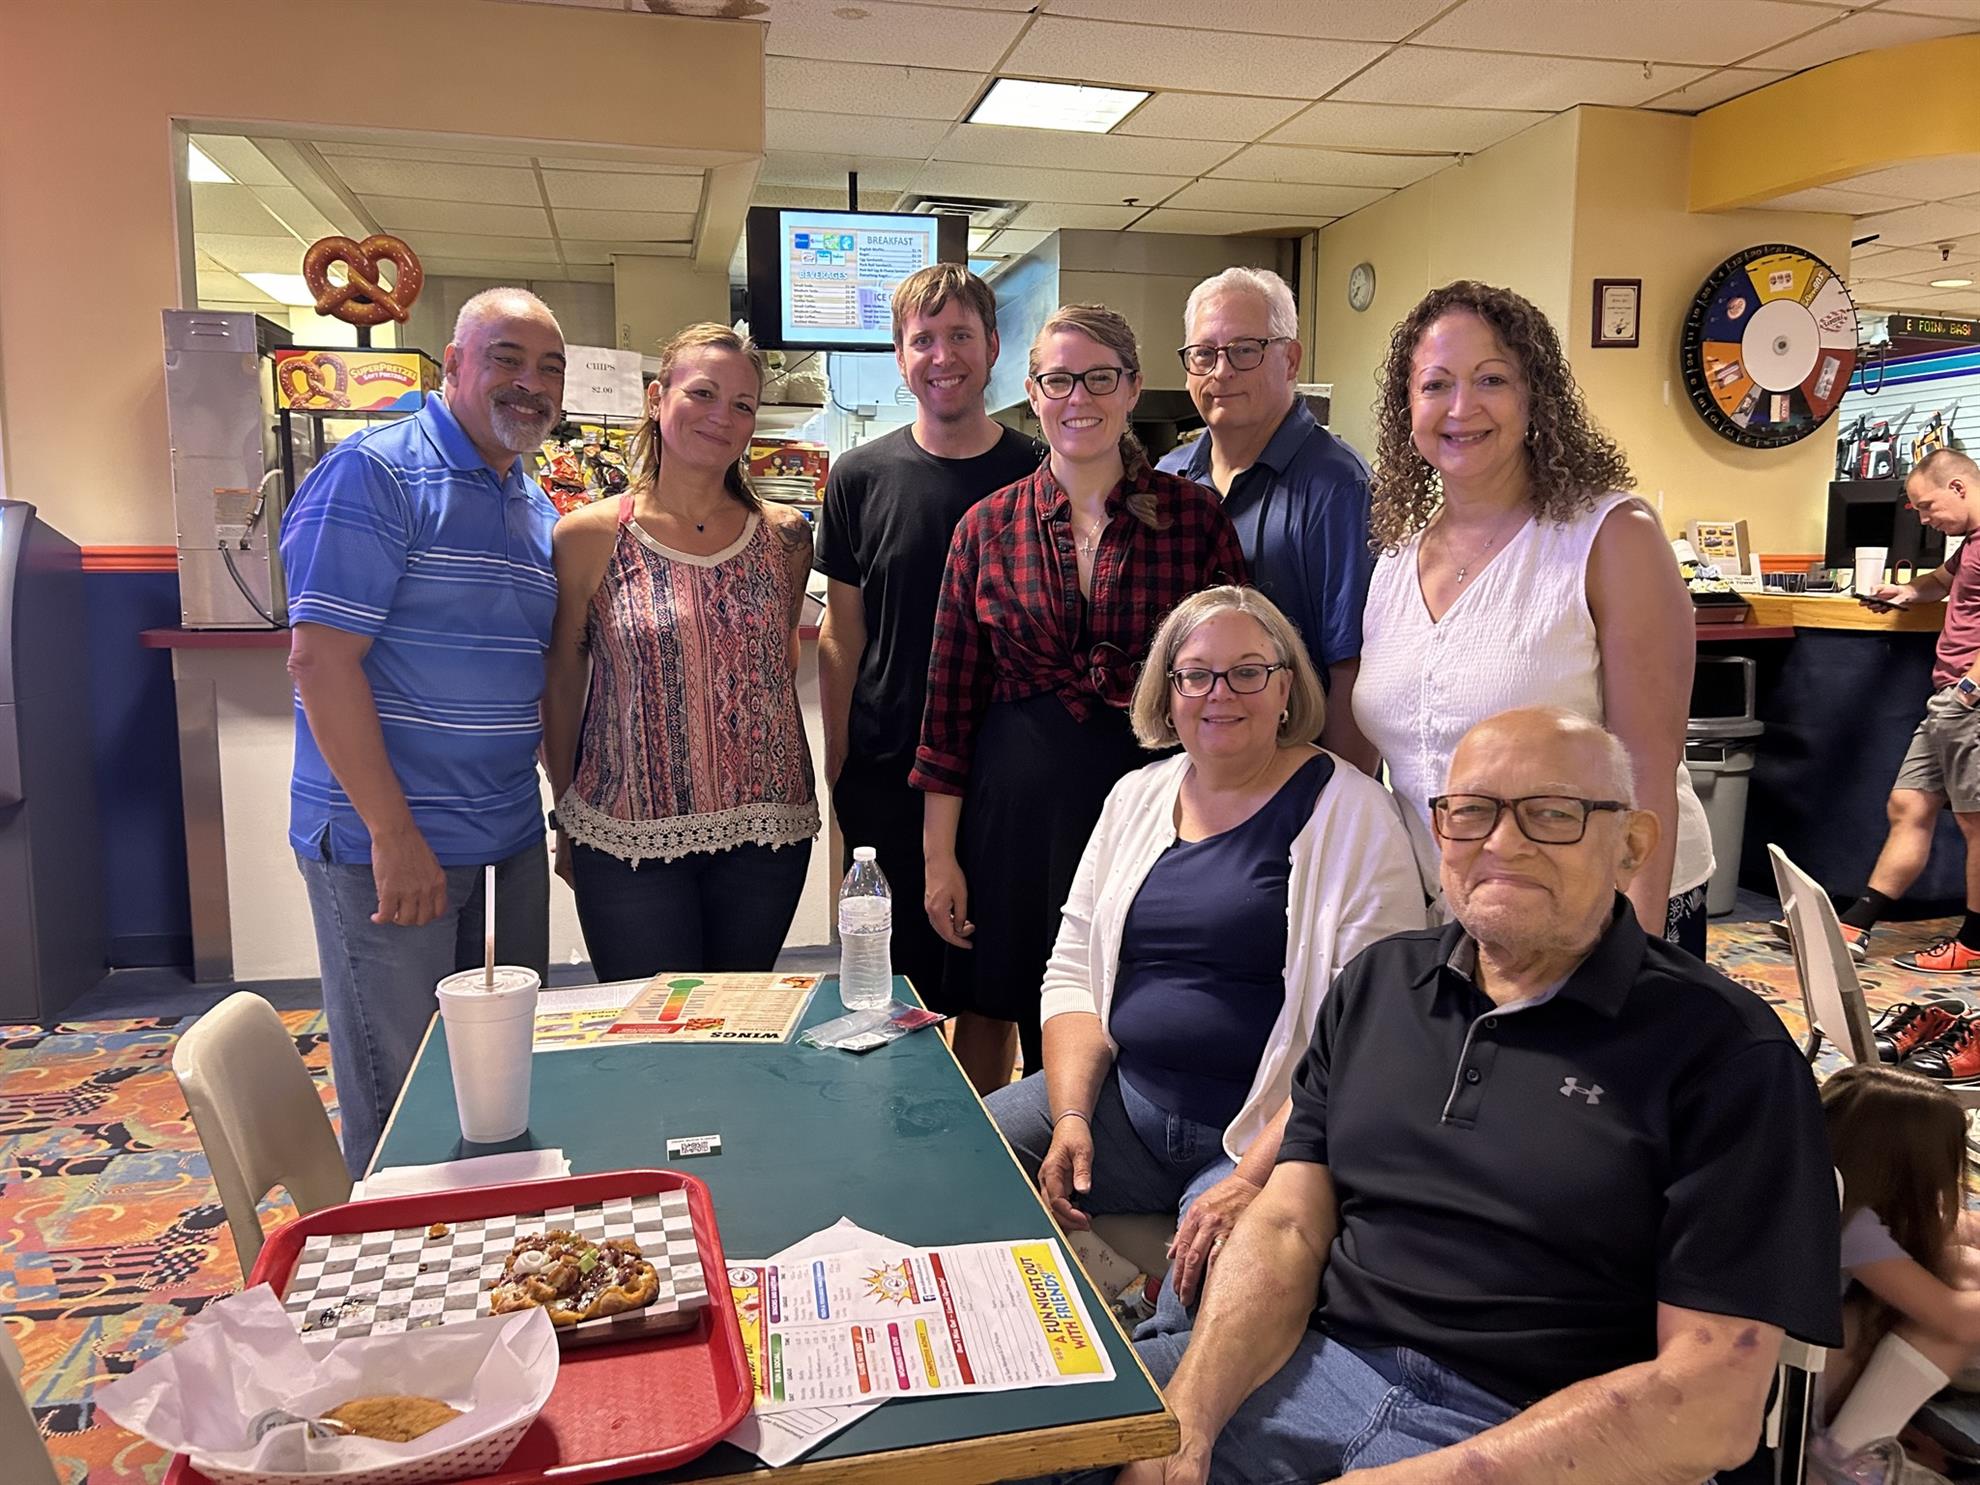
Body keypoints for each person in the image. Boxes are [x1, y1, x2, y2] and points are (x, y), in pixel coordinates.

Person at [1105, 708, 1840, 1485]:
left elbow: (1712, 1402)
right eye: (1473, 811)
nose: (1502, 842)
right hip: (1313, 1365)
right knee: (1019, 1439)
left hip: (1546, 1437)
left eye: (1553, 814)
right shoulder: (1378, 985)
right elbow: (1286, 1222)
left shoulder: (1727, 1053)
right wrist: (1184, 1424)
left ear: (1632, 845)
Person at [986, 586, 1422, 1324]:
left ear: (1286, 687)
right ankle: (1110, 1290)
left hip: (1264, 1134)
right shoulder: (1135, 796)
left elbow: (1367, 1036)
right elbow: (1072, 977)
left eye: (1248, 671)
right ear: (1169, 690)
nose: (1221, 693)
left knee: (1206, 1312)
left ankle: (1139, 1342)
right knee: (956, 1162)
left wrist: (1251, 1177)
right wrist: (1070, 1115)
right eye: (1197, 674)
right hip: (1125, 1110)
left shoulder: (1354, 815)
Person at [914, 304, 1246, 1088]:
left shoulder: (1193, 520)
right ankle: (995, 1173)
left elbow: (1237, 681)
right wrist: (938, 857)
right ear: (1033, 392)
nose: (1079, 398)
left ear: (1132, 388)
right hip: (1014, 810)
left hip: (1155, 800)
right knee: (997, 998)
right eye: (1059, 380)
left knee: (1131, 994)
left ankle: (1104, 1163)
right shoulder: (986, 527)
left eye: (1100, 378)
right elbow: (949, 702)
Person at [284, 287, 565, 1177]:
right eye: (507, 359)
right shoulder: (378, 473)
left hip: (506, 837)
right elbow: (321, 663)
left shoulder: (532, 502)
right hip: (393, 843)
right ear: (452, 366)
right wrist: (392, 834)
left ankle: (496, 1267)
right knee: (402, 1090)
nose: (530, 383)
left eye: (549, 367)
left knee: (501, 1083)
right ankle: (392, 1292)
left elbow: (533, 672)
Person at [1354, 280, 1713, 955]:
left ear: (1534, 397)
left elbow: (1649, 762)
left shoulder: (1610, 535)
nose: (1462, 407)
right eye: (1435, 385)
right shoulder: (1398, 557)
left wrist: (1631, 953)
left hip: (1593, 912)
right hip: (1458, 909)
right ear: (1407, 408)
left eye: (1492, 378)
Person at [816, 264, 1040, 1078]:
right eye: (923, 339)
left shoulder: (1041, 470)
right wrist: (838, 770)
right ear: (899, 354)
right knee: (887, 985)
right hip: (888, 774)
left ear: (992, 348)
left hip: (1001, 777)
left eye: (960, 336)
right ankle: (894, 1144)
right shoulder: (859, 477)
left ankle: (979, 1147)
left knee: (989, 984)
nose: (942, 356)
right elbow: (844, 638)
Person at [541, 323, 817, 979]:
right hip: (628, 830)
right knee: (654, 1045)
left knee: (738, 1027)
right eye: (703, 392)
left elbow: (779, 664)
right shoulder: (588, 538)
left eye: (743, 404)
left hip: (766, 831)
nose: (723, 416)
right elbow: (561, 681)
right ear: (656, 397)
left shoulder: (785, 536)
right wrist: (564, 812)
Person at [1769, 448, 1980, 988]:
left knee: (1976, 823)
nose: (1927, 520)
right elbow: (1941, 580)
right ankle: (1855, 925)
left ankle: (1974, 943)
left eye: (1928, 507)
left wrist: (1971, 688)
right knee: (1907, 804)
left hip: (1968, 701)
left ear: (1958, 487)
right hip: (1946, 701)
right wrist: (1909, 591)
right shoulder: (1972, 545)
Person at [1157, 268, 1377, 773]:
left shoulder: (1339, 487)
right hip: (1192, 781)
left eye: (1245, 349)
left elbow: (1354, 670)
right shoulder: (1167, 481)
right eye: (1204, 354)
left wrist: (1336, 808)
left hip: (1297, 782)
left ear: (1291, 358)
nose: (1221, 371)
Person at [1820, 1063, 1980, 1458]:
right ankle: (1841, 1458)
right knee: (1941, 1328)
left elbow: (1957, 1229)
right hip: (1784, 1382)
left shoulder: (1828, 1184)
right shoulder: (1848, 1224)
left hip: (1774, 1349)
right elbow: (1954, 1319)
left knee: (1960, 1262)